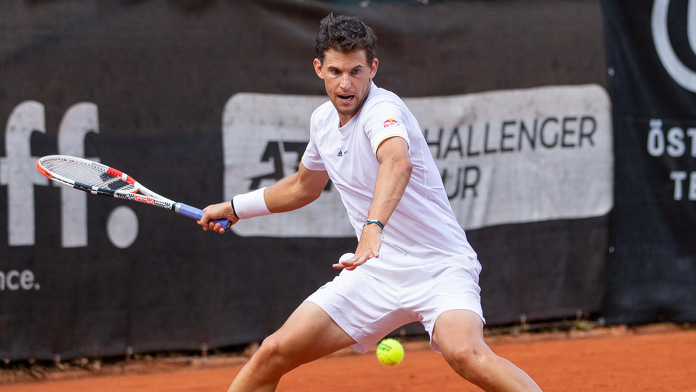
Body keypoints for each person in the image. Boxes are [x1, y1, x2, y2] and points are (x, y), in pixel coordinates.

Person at [199, 13, 541, 392]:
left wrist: (372, 228)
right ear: (318, 69)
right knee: (273, 352)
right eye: (335, 72)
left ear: (373, 69)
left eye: (356, 72)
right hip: (376, 274)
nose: (346, 85)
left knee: (465, 353)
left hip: (439, 265)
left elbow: (397, 161)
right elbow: (302, 187)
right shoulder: (322, 122)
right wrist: (235, 207)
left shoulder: (382, 110)